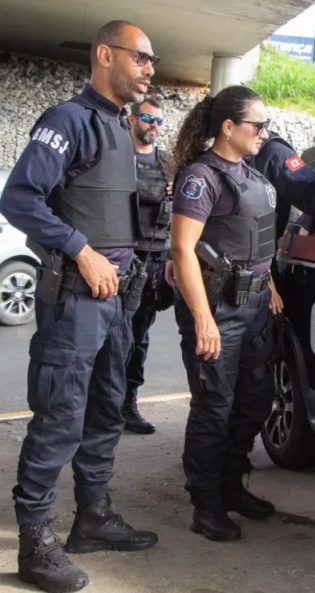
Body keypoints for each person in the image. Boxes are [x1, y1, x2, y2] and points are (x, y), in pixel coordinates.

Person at [0, 20, 159, 593]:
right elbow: (18, 198)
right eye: (139, 57)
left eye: (151, 60)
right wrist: (79, 251)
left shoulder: (119, 126)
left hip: (116, 295)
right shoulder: (69, 120)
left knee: (105, 408)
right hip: (75, 296)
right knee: (60, 416)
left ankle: (92, 517)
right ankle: (35, 543)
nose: (148, 68)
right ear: (104, 55)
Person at [170, 85, 315, 543]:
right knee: (212, 411)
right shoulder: (202, 178)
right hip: (218, 310)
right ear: (229, 127)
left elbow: (257, 244)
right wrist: (202, 318)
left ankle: (232, 485)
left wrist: (270, 285)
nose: (266, 133)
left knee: (254, 403)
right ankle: (206, 503)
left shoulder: (255, 175)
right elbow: (182, 250)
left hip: (256, 307)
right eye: (258, 125)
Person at [123, 96, 174, 434]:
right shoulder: (116, 160)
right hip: (122, 258)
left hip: (154, 261)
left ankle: (128, 403)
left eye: (159, 121)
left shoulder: (169, 165)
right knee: (110, 336)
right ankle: (99, 404)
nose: (153, 126)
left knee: (139, 338)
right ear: (131, 119)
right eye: (147, 118)